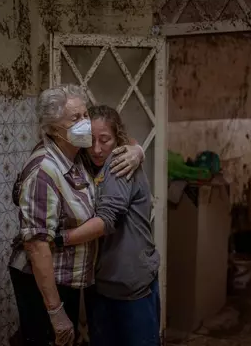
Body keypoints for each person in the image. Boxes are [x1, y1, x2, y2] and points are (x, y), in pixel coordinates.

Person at [8, 85, 144, 346]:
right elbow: (36, 246)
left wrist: (137, 152)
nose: (85, 123)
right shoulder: (44, 171)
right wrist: (56, 313)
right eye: (76, 118)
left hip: (67, 279)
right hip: (42, 283)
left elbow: (122, 139)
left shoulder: (77, 154)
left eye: (85, 115)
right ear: (53, 128)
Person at [54, 105, 161, 346]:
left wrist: (60, 239)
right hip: (102, 283)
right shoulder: (86, 161)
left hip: (129, 283)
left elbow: (107, 220)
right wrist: (138, 148)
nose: (97, 149)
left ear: (117, 138)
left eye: (105, 140)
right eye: (90, 140)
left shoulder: (119, 161)